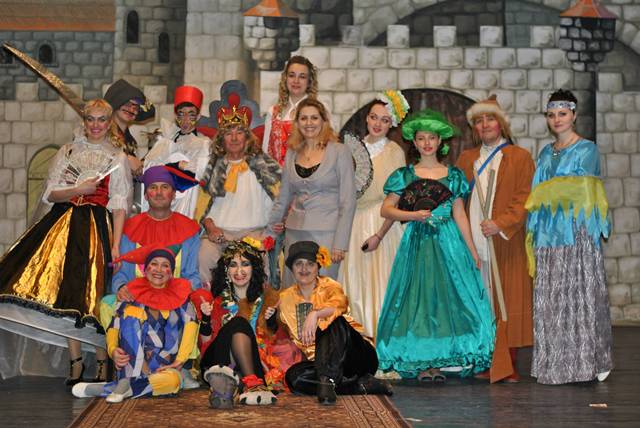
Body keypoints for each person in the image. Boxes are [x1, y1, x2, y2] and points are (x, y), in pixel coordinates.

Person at [0, 99, 132, 384]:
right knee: (68, 293)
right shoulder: (68, 151)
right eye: (90, 119)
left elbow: (120, 205)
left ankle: (102, 361)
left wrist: (117, 244)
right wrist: (78, 189)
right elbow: (50, 193)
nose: (95, 125)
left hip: (98, 227)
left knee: (96, 295)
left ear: (109, 123)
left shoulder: (117, 158)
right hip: (64, 225)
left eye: (101, 119)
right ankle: (75, 362)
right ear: (84, 121)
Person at [376, 110, 495, 381]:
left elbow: (460, 214)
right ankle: (421, 361)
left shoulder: (453, 175)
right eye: (421, 138)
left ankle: (440, 359)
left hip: (448, 243)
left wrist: (471, 250)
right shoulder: (405, 175)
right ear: (414, 142)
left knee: (447, 301)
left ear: (440, 141)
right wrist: (413, 215)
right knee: (417, 301)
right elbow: (386, 209)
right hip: (417, 243)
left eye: (432, 137)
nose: (427, 143)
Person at [526, 89, 612, 385]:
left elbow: (582, 191)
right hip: (547, 234)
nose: (557, 119)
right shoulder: (545, 153)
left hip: (576, 232)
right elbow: (538, 194)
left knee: (581, 295)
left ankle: (589, 360)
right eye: (551, 115)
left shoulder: (587, 149)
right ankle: (555, 362)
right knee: (551, 298)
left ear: (573, 115)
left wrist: (546, 193)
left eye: (562, 114)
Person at [456, 95, 534, 383]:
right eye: (479, 121)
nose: (485, 125)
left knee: (507, 299)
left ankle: (507, 364)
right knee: (483, 301)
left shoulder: (520, 157)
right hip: (474, 242)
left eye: (490, 119)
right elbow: (458, 200)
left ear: (501, 123)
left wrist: (500, 224)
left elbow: (525, 198)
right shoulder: (467, 159)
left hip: (505, 240)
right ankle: (485, 358)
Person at [266, 241, 392, 405]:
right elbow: (277, 333)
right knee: (294, 377)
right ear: (292, 268)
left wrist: (315, 314)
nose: (304, 269)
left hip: (355, 355)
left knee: (333, 321)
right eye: (299, 264)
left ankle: (327, 380)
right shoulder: (285, 297)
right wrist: (271, 320)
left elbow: (339, 306)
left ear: (318, 267)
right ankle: (358, 385)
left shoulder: (330, 286)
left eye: (310, 264)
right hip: (321, 362)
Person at [72, 247, 197, 403]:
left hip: (164, 368)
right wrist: (113, 350)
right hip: (131, 362)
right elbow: (114, 326)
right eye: (154, 264)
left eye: (165, 265)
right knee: (130, 316)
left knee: (174, 382)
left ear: (171, 272)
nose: (159, 269)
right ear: (145, 269)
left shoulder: (182, 299)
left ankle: (114, 388)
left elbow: (191, 326)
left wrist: (180, 360)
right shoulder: (130, 294)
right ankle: (128, 379)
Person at [338, 91, 408, 339]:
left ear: (392, 124)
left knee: (382, 283)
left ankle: (383, 343)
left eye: (385, 120)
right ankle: (357, 344)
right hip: (354, 222)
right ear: (366, 118)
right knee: (355, 284)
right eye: (374, 117)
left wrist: (380, 234)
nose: (378, 124)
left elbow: (397, 197)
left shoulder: (395, 152)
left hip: (383, 224)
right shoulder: (349, 149)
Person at [268, 99, 356, 287]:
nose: (309, 123)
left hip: (327, 235)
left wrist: (340, 243)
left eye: (314, 118)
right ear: (297, 123)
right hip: (294, 233)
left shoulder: (340, 151)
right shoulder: (292, 153)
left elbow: (348, 201)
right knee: (293, 291)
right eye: (304, 118)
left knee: (323, 291)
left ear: (324, 121)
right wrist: (268, 231)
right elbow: (283, 197)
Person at [198, 96, 281, 286]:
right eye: (229, 133)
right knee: (203, 257)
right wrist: (211, 228)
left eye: (239, 132)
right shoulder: (214, 167)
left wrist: (267, 232)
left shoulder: (264, 165)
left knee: (259, 265)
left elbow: (280, 203)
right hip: (220, 235)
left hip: (253, 234)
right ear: (221, 138)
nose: (234, 138)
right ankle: (209, 303)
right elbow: (203, 211)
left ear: (247, 137)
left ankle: (257, 304)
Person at [191, 239, 281, 409]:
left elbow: (275, 345)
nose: (239, 271)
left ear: (254, 268)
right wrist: (206, 318)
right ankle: (250, 385)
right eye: (233, 265)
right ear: (226, 271)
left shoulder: (268, 300)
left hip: (256, 362)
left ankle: (227, 389)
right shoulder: (217, 301)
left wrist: (271, 321)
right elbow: (205, 344)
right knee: (239, 322)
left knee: (241, 326)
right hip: (218, 361)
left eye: (245, 264)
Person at [110, 165, 201, 295]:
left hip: (175, 298)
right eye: (153, 187)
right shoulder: (130, 228)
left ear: (173, 194)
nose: (159, 192)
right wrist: (121, 287)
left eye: (165, 187)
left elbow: (192, 275)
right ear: (146, 195)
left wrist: (186, 290)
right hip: (136, 297)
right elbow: (121, 274)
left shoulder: (189, 230)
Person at [143, 85, 211, 219]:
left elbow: (204, 171)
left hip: (189, 198)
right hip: (162, 198)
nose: (185, 119)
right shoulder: (165, 141)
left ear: (198, 116)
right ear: (175, 115)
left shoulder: (204, 143)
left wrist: (181, 165)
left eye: (191, 114)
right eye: (181, 113)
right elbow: (149, 166)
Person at [262, 55, 318, 166]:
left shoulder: (318, 111)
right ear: (285, 78)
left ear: (309, 81)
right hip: (277, 175)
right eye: (292, 75)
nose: (296, 81)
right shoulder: (273, 112)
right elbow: (265, 153)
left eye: (302, 77)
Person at [104, 79, 155, 177]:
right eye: (127, 104)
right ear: (116, 104)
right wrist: (126, 159)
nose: (131, 109)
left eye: (136, 107)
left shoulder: (131, 141)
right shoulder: (101, 133)